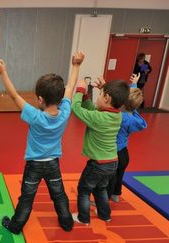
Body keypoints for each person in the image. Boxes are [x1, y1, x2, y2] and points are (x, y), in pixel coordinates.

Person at [0, 52, 85, 234]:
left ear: (40, 99)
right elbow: (70, 87)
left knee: (27, 198)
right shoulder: (65, 111)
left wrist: (2, 72)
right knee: (59, 195)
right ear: (60, 99)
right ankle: (67, 223)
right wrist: (76, 65)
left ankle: (15, 226)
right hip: (53, 165)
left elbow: (13, 96)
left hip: (34, 165)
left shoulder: (35, 117)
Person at [71, 76, 130, 225]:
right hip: (112, 163)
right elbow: (93, 109)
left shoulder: (99, 118)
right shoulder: (117, 115)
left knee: (84, 189)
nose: (97, 99)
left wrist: (79, 90)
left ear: (107, 98)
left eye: (100, 95)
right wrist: (86, 96)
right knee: (101, 188)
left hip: (98, 164)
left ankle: (83, 218)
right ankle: (105, 215)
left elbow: (76, 108)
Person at [107, 73, 147, 202]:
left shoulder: (118, 116)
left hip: (114, 152)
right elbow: (132, 105)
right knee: (119, 174)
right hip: (124, 153)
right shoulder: (133, 119)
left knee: (110, 177)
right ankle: (116, 194)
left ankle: (104, 199)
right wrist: (134, 85)